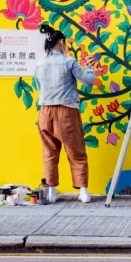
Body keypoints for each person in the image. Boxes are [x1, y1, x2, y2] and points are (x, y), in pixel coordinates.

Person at [34, 24, 98, 203]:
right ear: (61, 42)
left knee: (49, 152)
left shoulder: (39, 65)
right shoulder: (69, 61)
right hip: (66, 112)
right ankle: (83, 191)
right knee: (76, 151)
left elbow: (40, 89)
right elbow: (88, 81)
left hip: (45, 112)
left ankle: (51, 192)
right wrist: (89, 68)